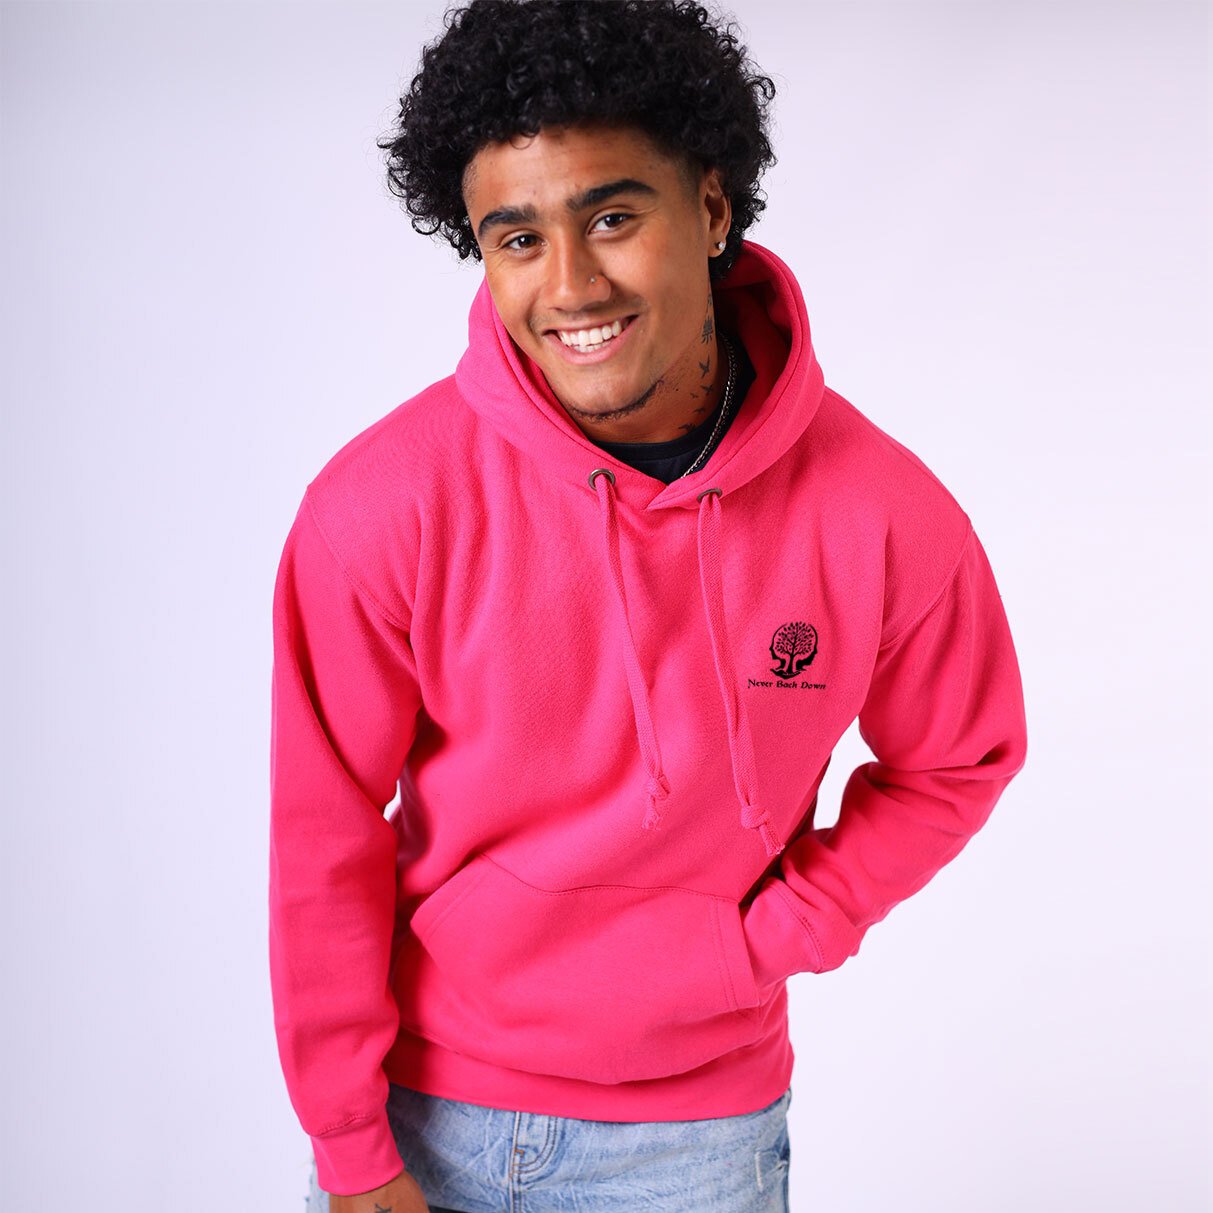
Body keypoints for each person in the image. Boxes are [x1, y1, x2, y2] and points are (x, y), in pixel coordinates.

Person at [268, 2, 1028, 1210]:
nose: (571, 285)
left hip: (697, 1139)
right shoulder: (384, 504)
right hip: (424, 1111)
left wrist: (779, 933)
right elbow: (323, 835)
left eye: (612, 218)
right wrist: (352, 1148)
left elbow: (960, 756)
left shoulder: (881, 512)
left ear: (712, 208)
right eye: (518, 239)